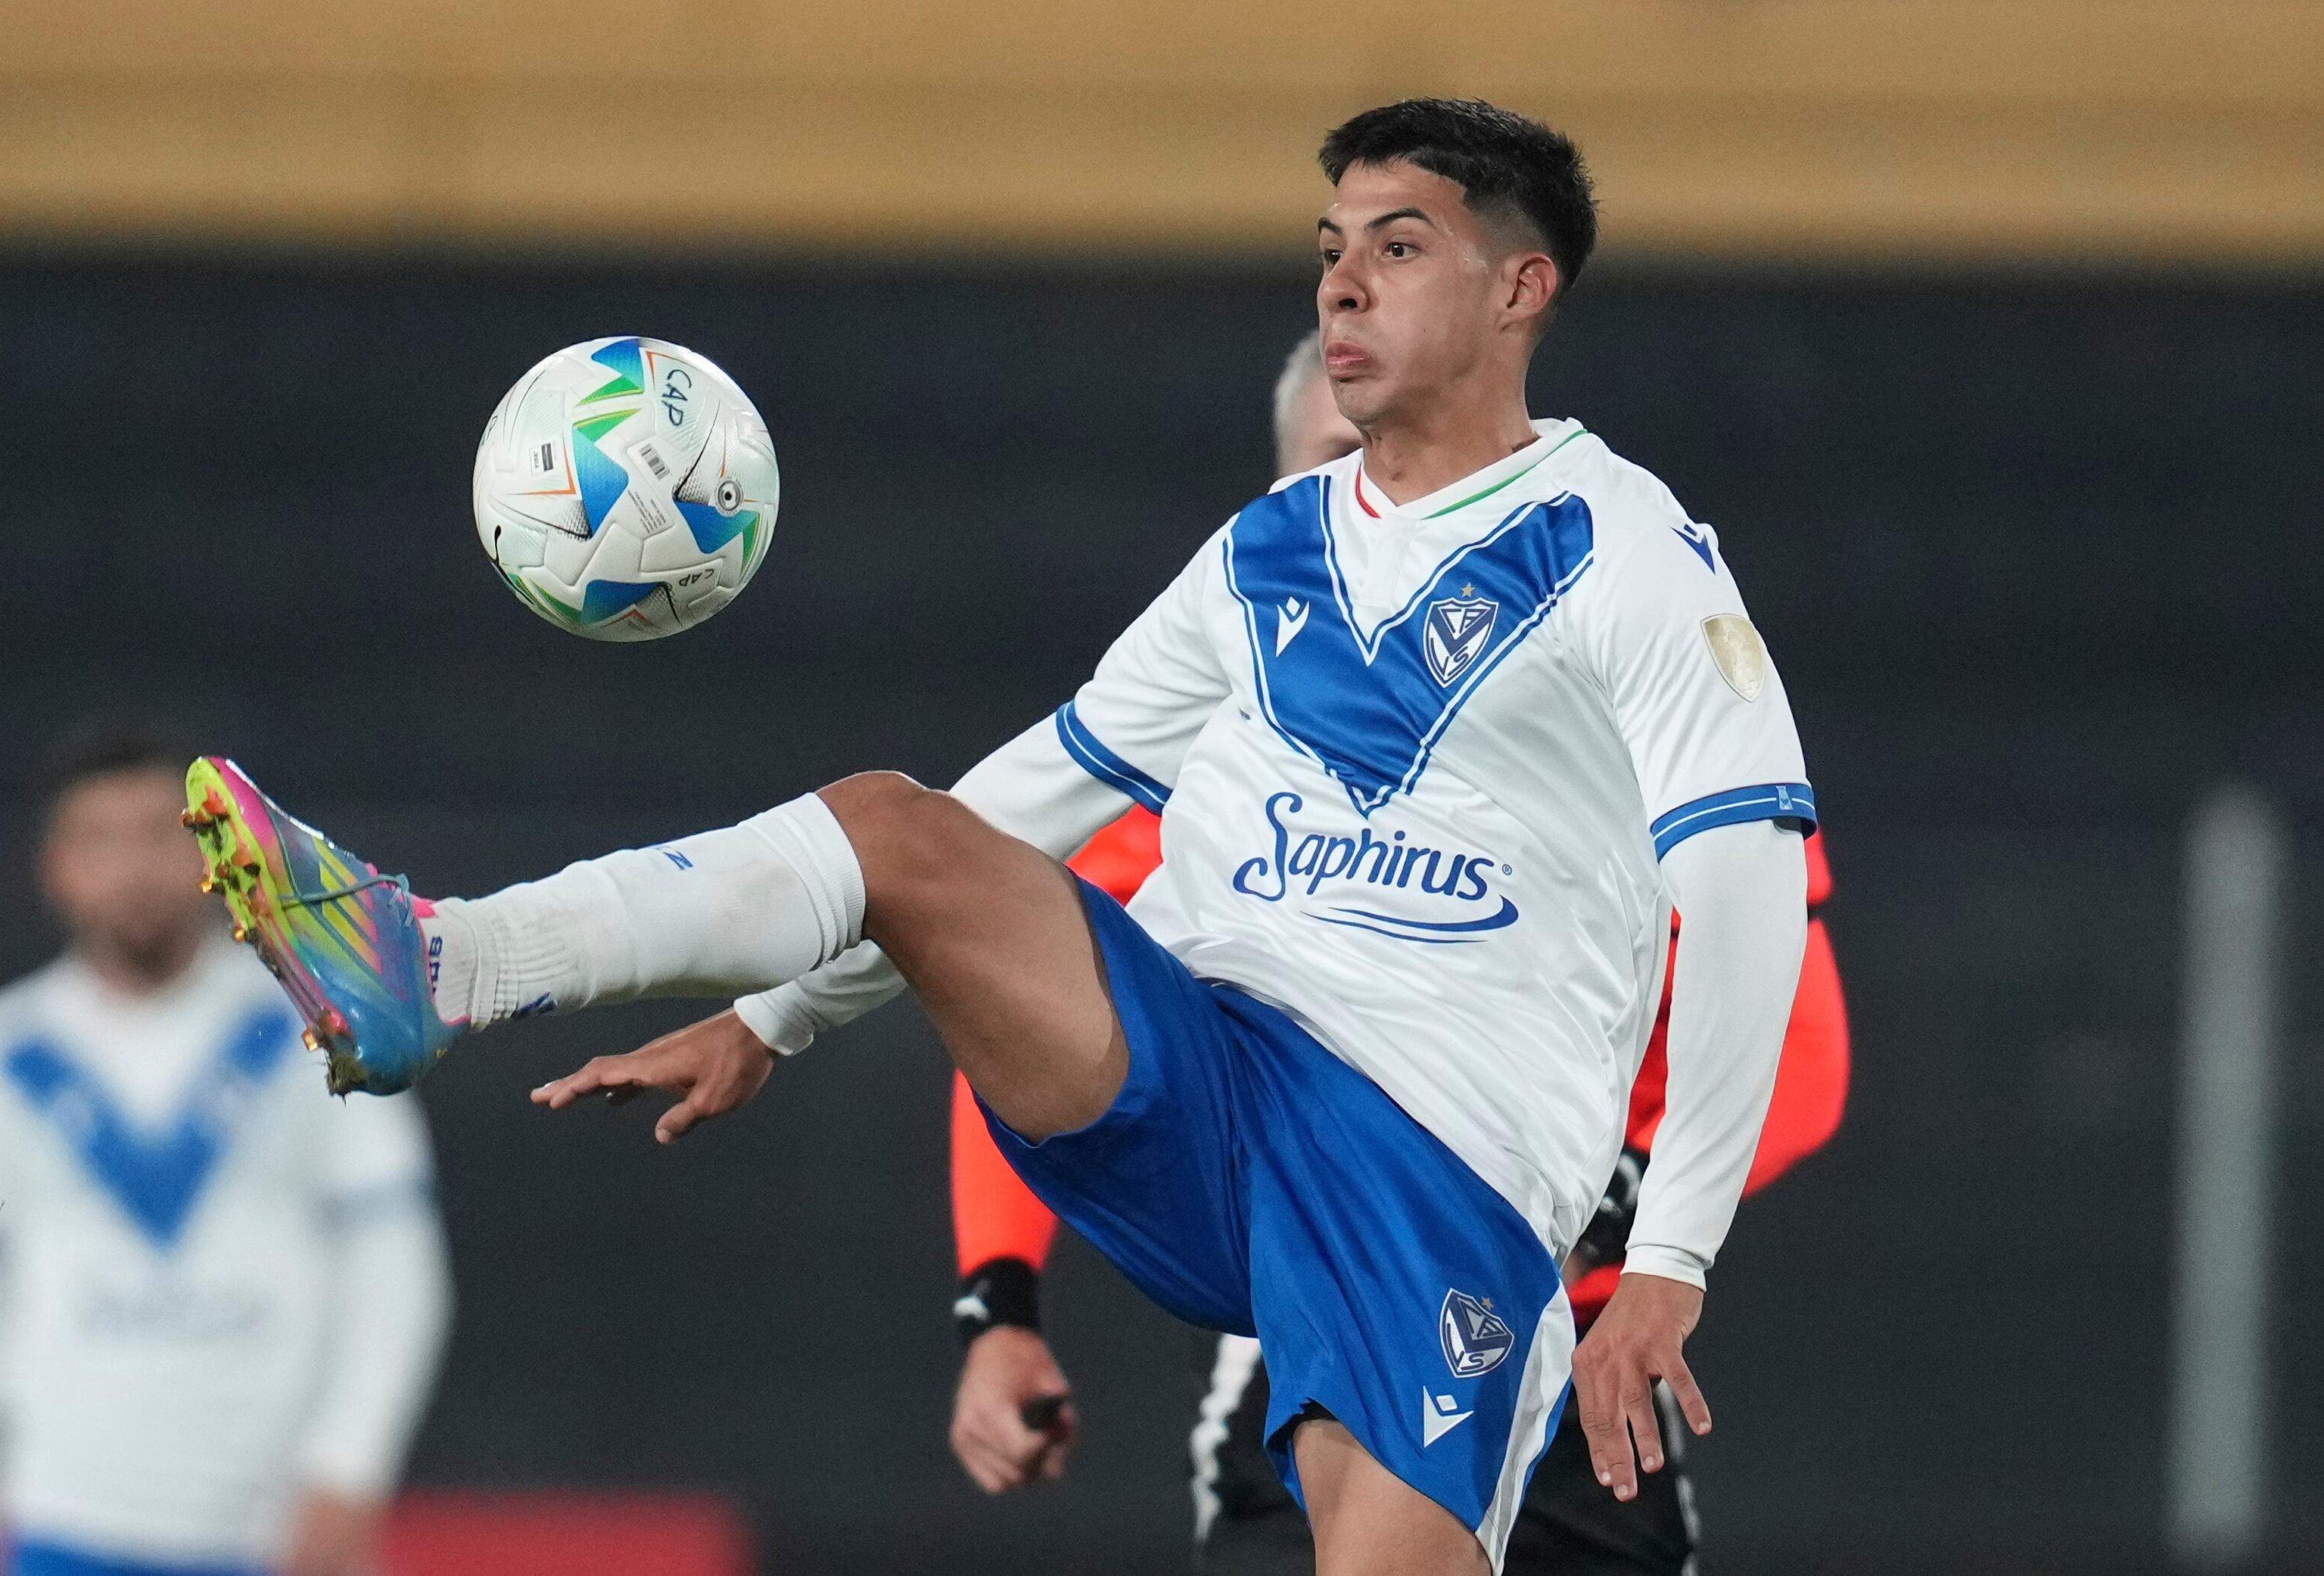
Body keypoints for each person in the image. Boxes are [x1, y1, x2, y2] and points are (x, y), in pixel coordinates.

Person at [182, 98, 1815, 1576]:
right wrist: (774, 1019)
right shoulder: (1268, 545)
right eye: (1328, 252)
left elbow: (1738, 886)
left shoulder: (1628, 550)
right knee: (903, 827)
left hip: (1437, 1164)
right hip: (1214, 1083)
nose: (1341, 288)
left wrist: (1667, 1255)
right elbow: (1031, 794)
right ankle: (446, 958)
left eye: (1398, 250)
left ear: (1521, 291)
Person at [944, 337, 1852, 1575]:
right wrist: (997, 1303)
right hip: (1317, 1341)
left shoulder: (1633, 715)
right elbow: (1028, 1000)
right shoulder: (1215, 766)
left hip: (1572, 1381)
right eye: (1344, 460)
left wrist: (1623, 1202)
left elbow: (1798, 1049)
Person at [0, 733, 452, 1576]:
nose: (133, 867)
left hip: (277, 1535)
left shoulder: (317, 1027)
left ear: (213, 850)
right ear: (56, 868)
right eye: (100, 842)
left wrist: (350, 1469)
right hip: (61, 1524)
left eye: (159, 834)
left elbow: (396, 1268)